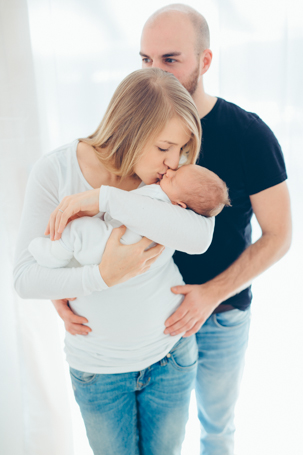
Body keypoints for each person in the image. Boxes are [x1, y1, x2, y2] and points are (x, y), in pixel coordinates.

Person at [52, 4, 292, 454]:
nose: (154, 72)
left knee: (216, 429)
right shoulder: (130, 135)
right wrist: (64, 289)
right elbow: (91, 225)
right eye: (145, 59)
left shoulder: (250, 135)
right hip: (143, 320)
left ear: (205, 61)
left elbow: (279, 235)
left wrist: (211, 294)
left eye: (170, 59)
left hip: (219, 314)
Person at [14, 68, 217, 455]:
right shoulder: (56, 171)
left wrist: (105, 199)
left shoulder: (169, 181)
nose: (174, 162)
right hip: (100, 372)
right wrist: (100, 276)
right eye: (163, 148)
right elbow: (25, 278)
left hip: (169, 357)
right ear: (129, 127)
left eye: (181, 149)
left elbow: (200, 238)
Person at [28, 164, 230, 269]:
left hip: (109, 244)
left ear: (180, 205)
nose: (168, 172)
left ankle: (53, 255)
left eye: (174, 179)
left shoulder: (162, 201)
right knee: (82, 230)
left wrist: (104, 198)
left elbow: (201, 239)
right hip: (107, 236)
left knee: (80, 232)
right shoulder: (168, 190)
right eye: (175, 171)